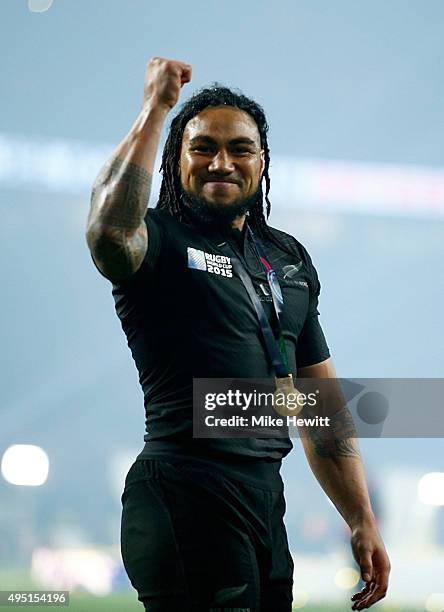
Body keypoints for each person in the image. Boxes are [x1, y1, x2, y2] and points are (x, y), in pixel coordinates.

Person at [86, 56, 390, 612]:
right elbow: (107, 230)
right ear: (175, 159)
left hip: (263, 499)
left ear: (262, 160)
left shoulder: (287, 258)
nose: (220, 162)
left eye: (239, 149)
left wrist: (360, 517)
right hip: (184, 488)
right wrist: (156, 110)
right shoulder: (156, 240)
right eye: (202, 147)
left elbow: (320, 407)